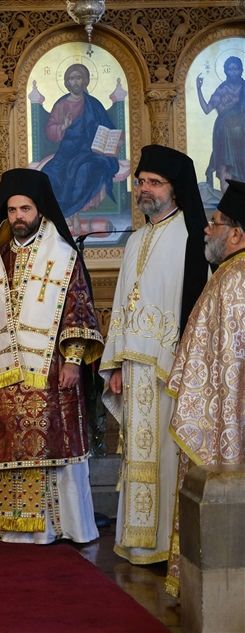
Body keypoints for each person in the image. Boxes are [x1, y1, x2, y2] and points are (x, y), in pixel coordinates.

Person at [0, 168, 103, 544]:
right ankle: (13, 528)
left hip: (51, 373)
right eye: (12, 210)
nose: (18, 217)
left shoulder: (63, 256)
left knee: (54, 448)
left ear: (40, 210)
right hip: (5, 376)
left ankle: (61, 527)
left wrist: (73, 360)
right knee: (10, 449)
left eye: (25, 209)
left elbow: (78, 310)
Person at [100, 144, 210, 565]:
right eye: (141, 181)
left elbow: (198, 308)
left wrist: (188, 364)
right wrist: (114, 364)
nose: (145, 189)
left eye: (155, 182)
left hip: (171, 368)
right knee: (137, 455)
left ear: (174, 189)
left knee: (167, 456)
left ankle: (168, 545)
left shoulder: (192, 238)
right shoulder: (136, 239)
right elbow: (122, 307)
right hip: (134, 367)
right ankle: (139, 544)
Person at [164, 179, 244, 597]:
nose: (207, 230)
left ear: (237, 234)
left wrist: (223, 420)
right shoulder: (228, 275)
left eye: (215, 223)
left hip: (225, 423)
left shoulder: (235, 280)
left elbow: (231, 365)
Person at [41, 64, 120, 219]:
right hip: (67, 152)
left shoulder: (94, 104)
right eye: (72, 78)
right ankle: (56, 215)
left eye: (78, 78)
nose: (75, 82)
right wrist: (62, 127)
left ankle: (73, 212)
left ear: (85, 80)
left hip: (91, 152)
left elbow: (108, 128)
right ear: (67, 82)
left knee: (84, 170)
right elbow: (50, 130)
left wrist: (115, 140)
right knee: (49, 173)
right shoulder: (61, 105)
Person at [196, 56, 245, 190]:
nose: (233, 72)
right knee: (225, 165)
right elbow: (207, 109)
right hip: (224, 134)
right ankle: (227, 199)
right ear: (225, 71)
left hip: (241, 136)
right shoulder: (222, 89)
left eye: (236, 69)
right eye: (230, 69)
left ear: (241, 70)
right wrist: (199, 89)